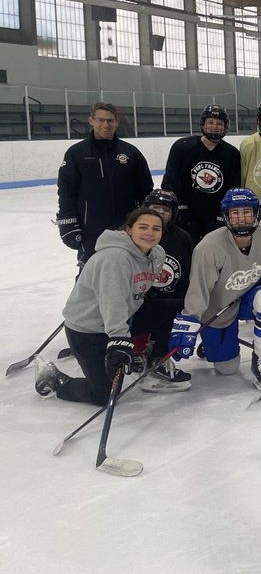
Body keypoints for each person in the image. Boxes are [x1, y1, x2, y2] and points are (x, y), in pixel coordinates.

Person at [35, 209, 176, 403]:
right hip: (89, 330)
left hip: (124, 318)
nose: (149, 233)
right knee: (105, 395)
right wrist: (119, 339)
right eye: (142, 227)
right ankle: (56, 379)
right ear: (128, 230)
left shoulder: (157, 254)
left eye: (156, 228)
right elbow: (113, 303)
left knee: (177, 308)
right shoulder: (115, 259)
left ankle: (152, 358)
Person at [166, 188, 261, 391]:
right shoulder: (209, 247)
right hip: (219, 308)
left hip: (250, 296)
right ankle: (212, 345)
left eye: (246, 212)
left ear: (256, 214)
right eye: (235, 213)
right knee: (227, 368)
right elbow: (199, 288)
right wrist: (190, 319)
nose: (241, 218)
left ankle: (260, 361)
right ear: (226, 217)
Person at [55, 101, 153, 263]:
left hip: (126, 229)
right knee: (89, 275)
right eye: (100, 120)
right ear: (91, 121)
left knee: (127, 272)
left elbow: (145, 191)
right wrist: (67, 223)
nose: (105, 125)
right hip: (90, 230)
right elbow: (66, 191)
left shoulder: (131, 153)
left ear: (117, 122)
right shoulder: (76, 153)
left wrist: (146, 222)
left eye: (110, 120)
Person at [162, 103, 241, 245]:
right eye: (210, 122)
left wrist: (223, 213)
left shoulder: (232, 154)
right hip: (186, 212)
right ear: (203, 124)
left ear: (225, 126)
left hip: (214, 215)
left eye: (219, 123)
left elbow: (233, 186)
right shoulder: (183, 147)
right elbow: (171, 180)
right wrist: (177, 207)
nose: (214, 126)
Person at [142, 188, 193, 302]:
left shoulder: (183, 238)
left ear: (173, 213)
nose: (160, 212)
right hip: (141, 303)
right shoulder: (136, 235)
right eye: (155, 208)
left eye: (166, 209)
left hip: (175, 301)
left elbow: (189, 272)